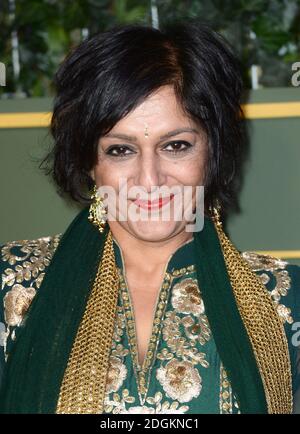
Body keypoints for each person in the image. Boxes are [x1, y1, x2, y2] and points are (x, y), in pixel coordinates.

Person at [0, 21, 299, 414]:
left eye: (176, 146)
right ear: (90, 162)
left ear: (213, 153)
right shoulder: (14, 285)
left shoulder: (282, 299)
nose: (149, 179)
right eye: (120, 150)